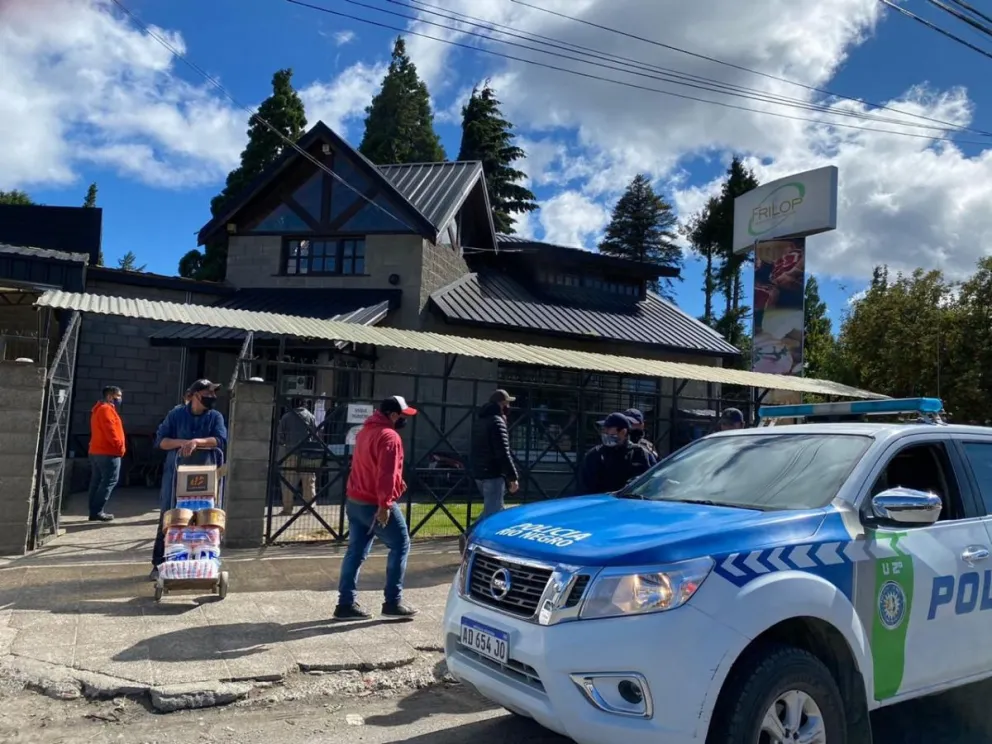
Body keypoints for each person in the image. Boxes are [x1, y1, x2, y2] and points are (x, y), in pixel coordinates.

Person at [334, 396, 418, 620]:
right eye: (402, 415)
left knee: (355, 552)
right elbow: (386, 473)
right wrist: (385, 504)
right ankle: (392, 602)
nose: (404, 420)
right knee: (401, 544)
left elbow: (365, 466)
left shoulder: (364, 432)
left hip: (355, 500)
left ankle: (345, 604)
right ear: (393, 415)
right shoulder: (389, 436)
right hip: (374, 501)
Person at [150, 380, 228, 582]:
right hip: (176, 475)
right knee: (170, 515)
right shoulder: (176, 415)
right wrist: (184, 443)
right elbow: (162, 441)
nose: (212, 397)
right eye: (208, 393)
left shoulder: (215, 417)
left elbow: (220, 439)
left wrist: (197, 442)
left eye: (214, 393)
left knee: (205, 517)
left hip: (204, 474)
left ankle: (204, 564)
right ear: (195, 395)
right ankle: (159, 563)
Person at [467, 390, 520, 532]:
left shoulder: (480, 421)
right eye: (507, 403)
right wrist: (512, 477)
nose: (509, 407)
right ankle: (469, 534)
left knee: (496, 509)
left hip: (480, 471)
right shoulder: (497, 422)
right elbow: (503, 452)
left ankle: (494, 536)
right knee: (492, 513)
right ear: (502, 404)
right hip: (492, 473)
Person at [577, 412, 653, 495]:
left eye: (609, 429)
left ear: (623, 432)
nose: (605, 432)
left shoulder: (638, 453)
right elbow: (585, 487)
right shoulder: (594, 454)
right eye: (604, 429)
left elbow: (645, 482)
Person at [87, 385, 126, 522]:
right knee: (109, 481)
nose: (120, 399)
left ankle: (93, 511)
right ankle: (97, 511)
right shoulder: (106, 410)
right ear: (110, 396)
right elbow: (111, 432)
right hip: (108, 452)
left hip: (97, 450)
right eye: (118, 396)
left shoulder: (99, 409)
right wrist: (120, 447)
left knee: (97, 481)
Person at [277, 398, 318, 515]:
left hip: (290, 452)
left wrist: (285, 443)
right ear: (304, 404)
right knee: (308, 482)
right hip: (307, 453)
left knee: (288, 482)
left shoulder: (286, 417)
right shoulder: (311, 416)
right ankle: (310, 507)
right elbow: (316, 434)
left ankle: (287, 508)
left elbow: (280, 436)